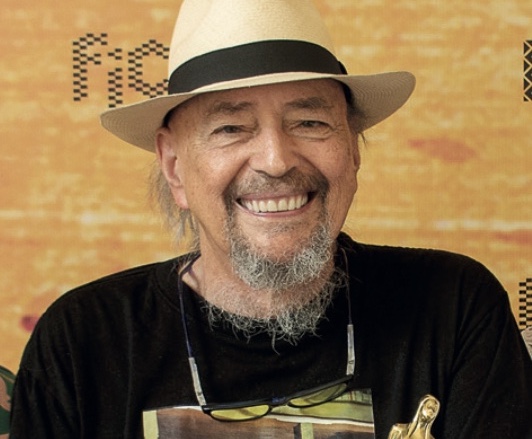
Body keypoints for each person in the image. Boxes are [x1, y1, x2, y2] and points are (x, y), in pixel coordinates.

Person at [10, 1, 532, 438]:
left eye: (310, 122)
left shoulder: (453, 309)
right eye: (231, 128)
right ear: (174, 166)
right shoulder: (82, 343)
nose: (276, 160)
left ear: (353, 150)